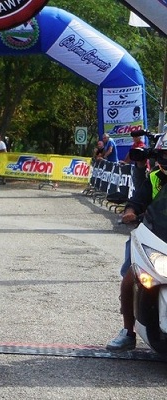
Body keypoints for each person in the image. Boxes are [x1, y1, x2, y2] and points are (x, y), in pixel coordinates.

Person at [106, 132, 167, 351]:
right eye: (165, 154)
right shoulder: (153, 179)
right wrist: (130, 213)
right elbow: (136, 201)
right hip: (156, 237)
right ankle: (127, 332)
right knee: (131, 277)